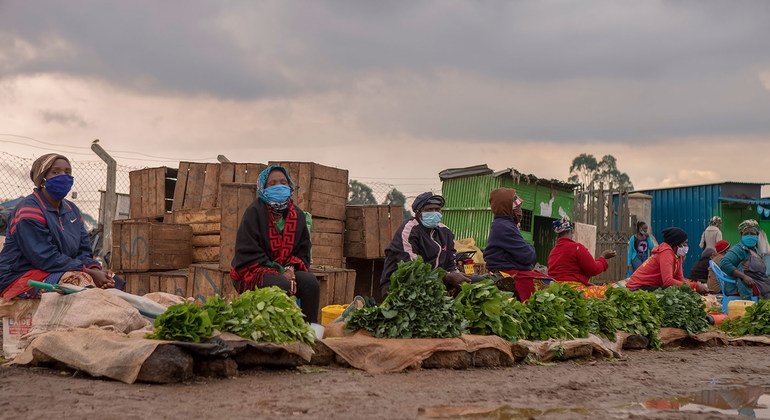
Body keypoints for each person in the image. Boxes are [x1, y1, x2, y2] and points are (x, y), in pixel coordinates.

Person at [0, 154, 118, 299]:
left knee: (115, 282)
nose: (63, 176)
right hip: (20, 277)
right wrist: (89, 272)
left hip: (60, 270)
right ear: (42, 179)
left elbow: (84, 251)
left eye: (67, 172)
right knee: (80, 281)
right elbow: (45, 258)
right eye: (55, 172)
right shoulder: (28, 210)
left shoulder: (72, 210)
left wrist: (95, 268)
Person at [230, 165, 320, 322]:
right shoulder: (254, 213)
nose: (279, 186)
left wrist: (290, 269)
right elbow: (249, 252)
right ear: (263, 188)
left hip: (287, 268)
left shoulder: (297, 215)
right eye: (272, 184)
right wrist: (279, 270)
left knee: (310, 283)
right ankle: (276, 329)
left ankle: (309, 330)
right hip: (254, 270)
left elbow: (302, 250)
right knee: (280, 284)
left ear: (290, 186)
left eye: (283, 182)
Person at [379, 192, 469, 297]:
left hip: (433, 287)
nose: (434, 213)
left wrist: (457, 276)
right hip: (402, 287)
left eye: (437, 209)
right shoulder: (409, 230)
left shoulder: (445, 232)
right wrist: (446, 277)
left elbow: (450, 263)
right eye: (429, 210)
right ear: (418, 212)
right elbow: (413, 266)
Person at [483, 188, 549, 301]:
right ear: (507, 209)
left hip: (510, 270)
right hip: (507, 274)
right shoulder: (504, 226)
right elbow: (528, 256)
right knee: (549, 285)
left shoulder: (505, 225)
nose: (520, 211)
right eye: (517, 208)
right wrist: (530, 246)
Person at [547, 216, 616, 298]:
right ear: (571, 232)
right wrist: (603, 257)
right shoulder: (577, 248)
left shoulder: (552, 252)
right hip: (574, 291)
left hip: (556, 291)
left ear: (557, 235)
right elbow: (593, 269)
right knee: (609, 292)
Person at [626, 227, 708, 293]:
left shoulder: (677, 255)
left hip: (650, 286)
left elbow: (680, 278)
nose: (686, 246)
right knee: (671, 292)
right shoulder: (666, 253)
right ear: (677, 243)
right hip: (637, 288)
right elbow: (668, 281)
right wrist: (695, 286)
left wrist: (694, 285)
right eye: (685, 243)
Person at [718, 220, 770, 299]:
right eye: (746, 234)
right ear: (741, 235)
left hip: (760, 282)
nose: (749, 236)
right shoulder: (739, 250)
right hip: (743, 287)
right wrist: (744, 276)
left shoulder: (754, 250)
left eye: (752, 234)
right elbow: (724, 263)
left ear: (757, 235)